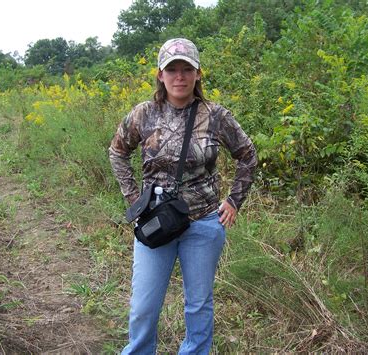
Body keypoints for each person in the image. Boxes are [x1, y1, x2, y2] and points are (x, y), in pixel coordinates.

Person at [109, 38, 257, 354]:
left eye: (186, 69)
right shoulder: (143, 114)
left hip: (203, 224)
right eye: (172, 69)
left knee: (199, 304)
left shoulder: (215, 115)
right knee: (144, 306)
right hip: (155, 221)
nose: (179, 76)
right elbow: (117, 152)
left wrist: (234, 200)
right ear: (160, 75)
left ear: (198, 73)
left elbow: (248, 155)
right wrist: (133, 196)